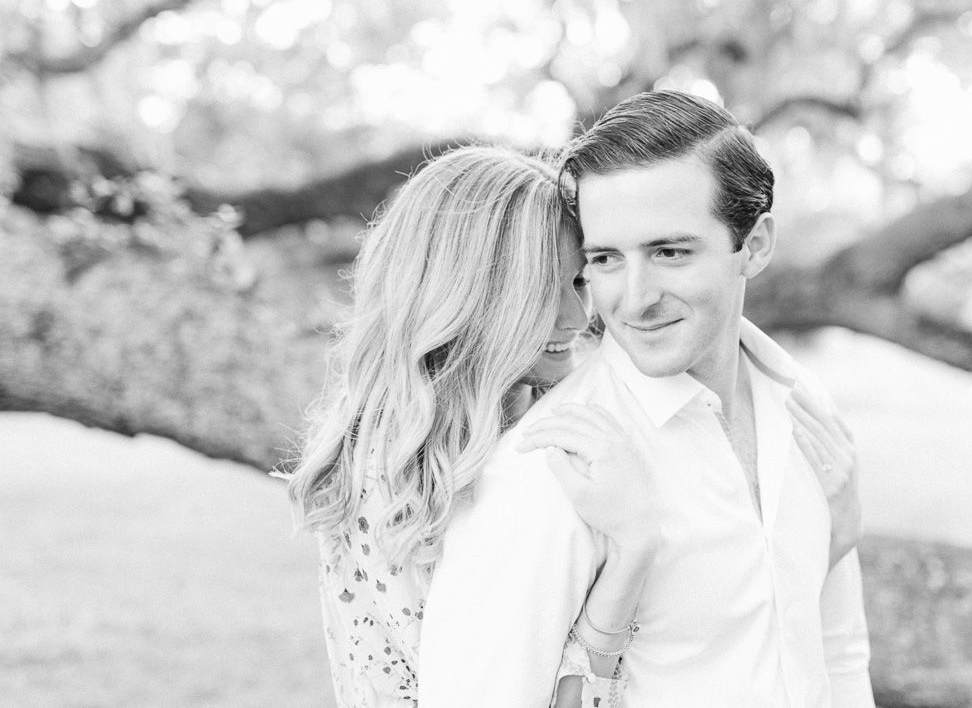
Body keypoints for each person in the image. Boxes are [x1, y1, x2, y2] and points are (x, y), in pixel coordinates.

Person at [287, 144, 863, 707]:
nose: (580, 316)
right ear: (468, 296)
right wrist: (632, 551)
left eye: (583, 279)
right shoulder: (436, 476)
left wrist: (821, 540)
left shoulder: (517, 417)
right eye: (546, 289)